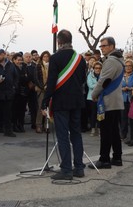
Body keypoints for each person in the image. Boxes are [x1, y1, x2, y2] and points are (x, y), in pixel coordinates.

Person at [41, 29, 86, 180]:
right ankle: (79, 168)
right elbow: (82, 80)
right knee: (76, 134)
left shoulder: (55, 58)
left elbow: (52, 82)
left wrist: (45, 101)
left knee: (62, 136)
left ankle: (66, 169)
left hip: (61, 102)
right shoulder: (80, 58)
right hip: (77, 101)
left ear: (58, 42)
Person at [88, 36, 124, 169]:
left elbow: (103, 81)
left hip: (109, 100)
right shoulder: (118, 59)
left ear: (112, 46)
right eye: (101, 46)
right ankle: (117, 157)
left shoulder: (111, 61)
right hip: (115, 100)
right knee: (114, 130)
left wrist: (94, 94)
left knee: (106, 131)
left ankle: (104, 159)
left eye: (104, 46)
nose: (101, 48)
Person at [120, 58, 133, 141]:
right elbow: (116, 86)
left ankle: (132, 136)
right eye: (126, 66)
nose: (128, 67)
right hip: (122, 99)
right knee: (123, 117)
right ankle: (123, 134)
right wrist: (122, 89)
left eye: (130, 66)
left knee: (132, 118)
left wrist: (131, 88)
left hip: (132, 99)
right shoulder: (120, 75)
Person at [35, 50, 51, 133]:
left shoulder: (52, 66)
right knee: (41, 107)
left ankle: (46, 125)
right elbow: (36, 78)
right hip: (41, 89)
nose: (46, 58)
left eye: (47, 56)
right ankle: (38, 125)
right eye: (44, 56)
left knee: (48, 107)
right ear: (42, 57)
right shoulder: (38, 66)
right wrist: (42, 87)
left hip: (49, 89)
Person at [86, 61, 102, 137]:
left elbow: (105, 85)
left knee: (100, 113)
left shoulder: (103, 76)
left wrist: (98, 85)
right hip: (91, 97)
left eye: (99, 68)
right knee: (93, 114)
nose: (97, 69)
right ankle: (93, 128)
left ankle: (99, 128)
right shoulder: (90, 75)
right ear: (93, 68)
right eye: (96, 68)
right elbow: (90, 85)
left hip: (101, 97)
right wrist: (99, 84)